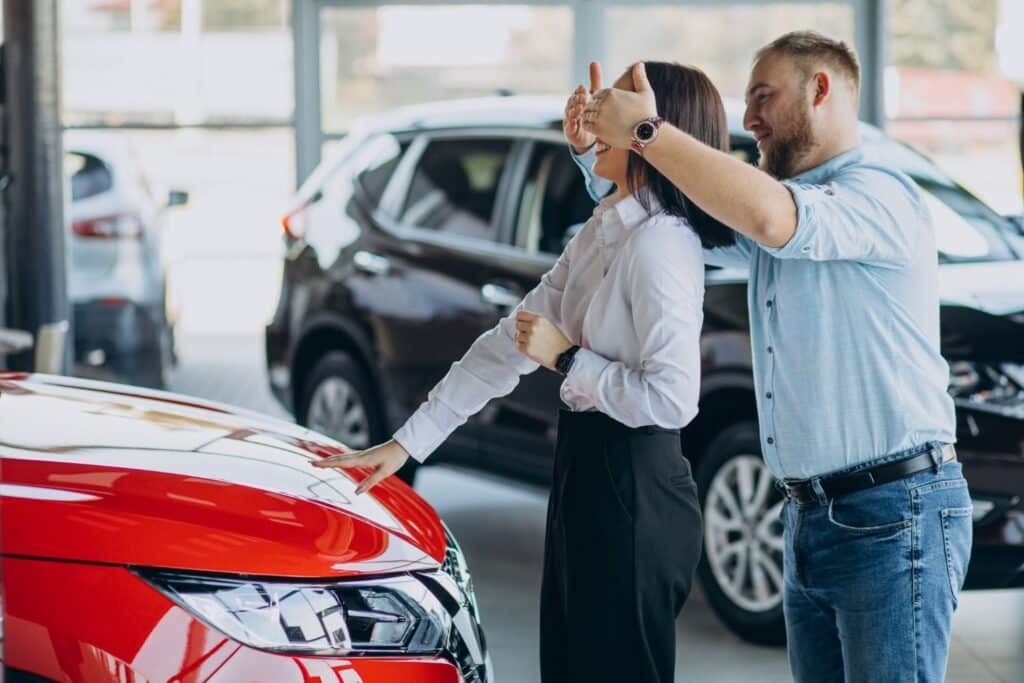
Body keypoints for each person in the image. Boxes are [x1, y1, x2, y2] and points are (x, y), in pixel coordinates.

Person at [312, 62, 734, 682]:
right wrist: (408, 444)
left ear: (652, 128)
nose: (596, 110)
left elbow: (672, 401)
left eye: (615, 101)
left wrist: (568, 358)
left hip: (635, 489)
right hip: (585, 475)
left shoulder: (660, 245)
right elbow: (506, 343)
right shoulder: (607, 229)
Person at [571, 31, 971, 683]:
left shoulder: (880, 194)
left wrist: (646, 129)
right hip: (810, 514)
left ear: (821, 90)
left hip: (895, 513)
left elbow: (769, 218)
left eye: (764, 97)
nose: (749, 118)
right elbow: (675, 219)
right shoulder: (776, 213)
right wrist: (600, 160)